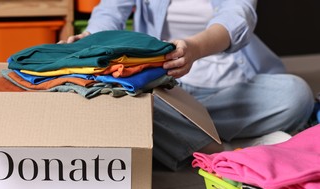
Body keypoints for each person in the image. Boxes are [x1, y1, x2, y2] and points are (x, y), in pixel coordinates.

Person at [61, 0, 314, 171]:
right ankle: (229, 147)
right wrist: (90, 39)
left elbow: (238, 15)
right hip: (166, 86)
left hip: (233, 87)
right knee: (122, 101)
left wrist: (193, 49)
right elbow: (110, 11)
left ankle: (191, 143)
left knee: (296, 94)